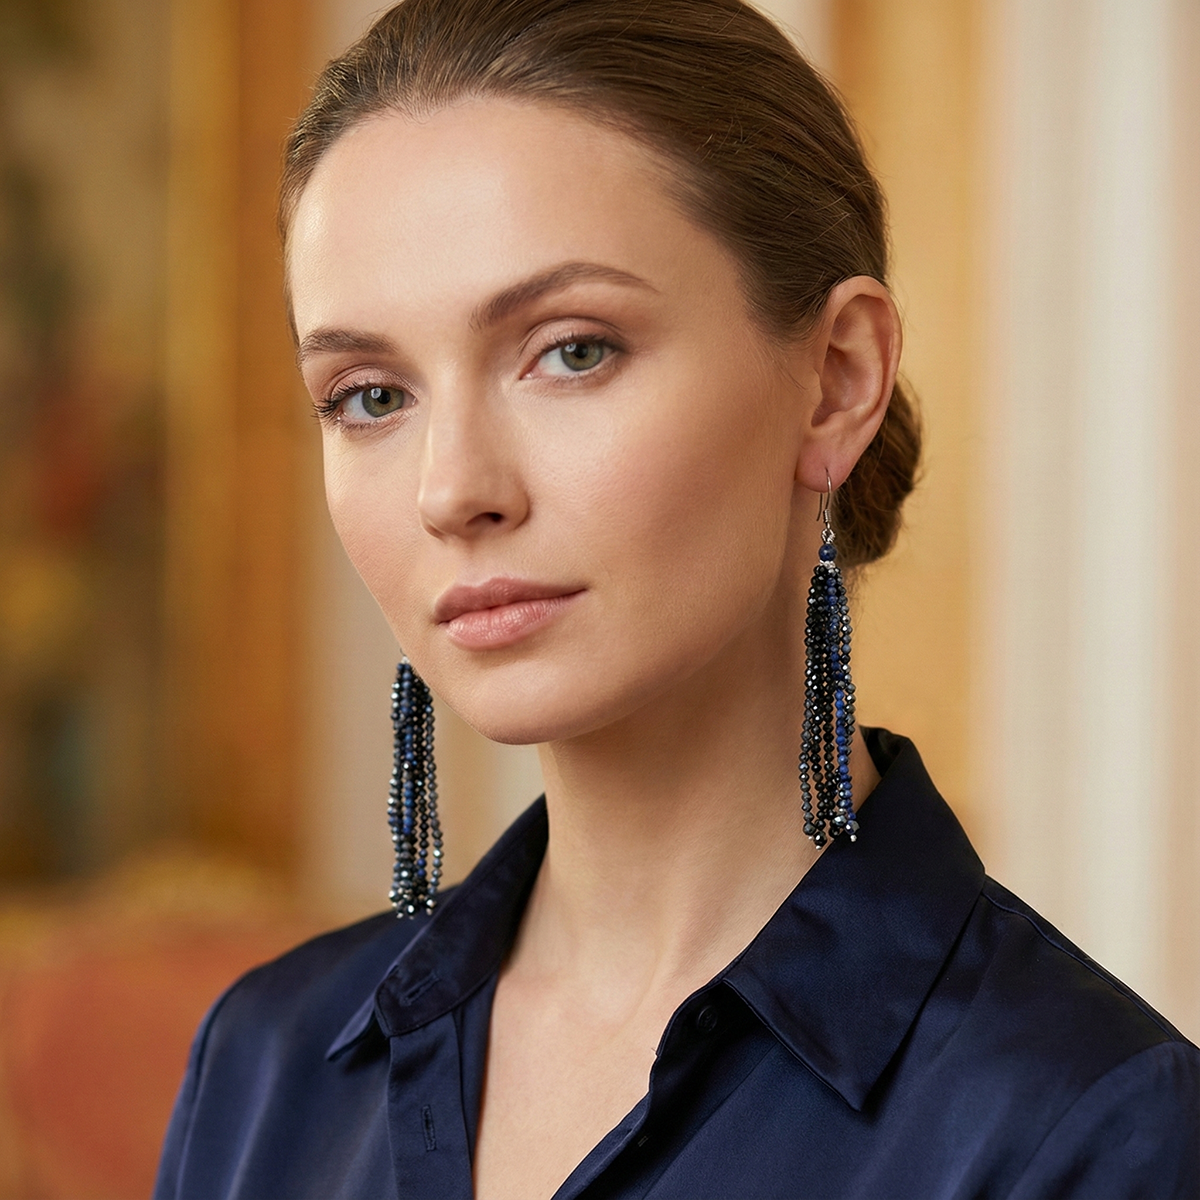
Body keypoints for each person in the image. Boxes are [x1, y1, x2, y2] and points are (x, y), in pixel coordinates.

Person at [153, 1, 1200, 1197]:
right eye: (371, 396)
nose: (452, 491)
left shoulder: (1091, 1129)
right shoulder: (263, 1067)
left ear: (837, 379)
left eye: (573, 350)